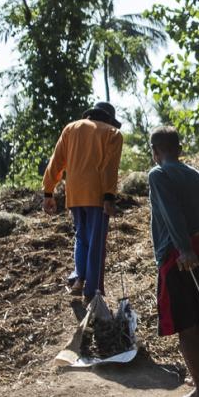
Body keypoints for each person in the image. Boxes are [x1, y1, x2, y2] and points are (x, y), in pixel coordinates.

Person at [147, 126, 199, 397]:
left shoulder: (158, 174)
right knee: (195, 319)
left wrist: (184, 248)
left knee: (186, 324)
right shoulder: (196, 175)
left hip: (181, 256)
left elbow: (170, 213)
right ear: (179, 150)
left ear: (154, 152)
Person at [42, 102, 124, 303]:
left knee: (82, 237)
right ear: (109, 119)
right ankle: (92, 292)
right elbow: (109, 168)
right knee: (96, 242)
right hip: (97, 194)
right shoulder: (112, 133)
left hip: (75, 193)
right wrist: (109, 197)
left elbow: (56, 161)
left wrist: (48, 191)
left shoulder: (71, 128)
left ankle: (79, 280)